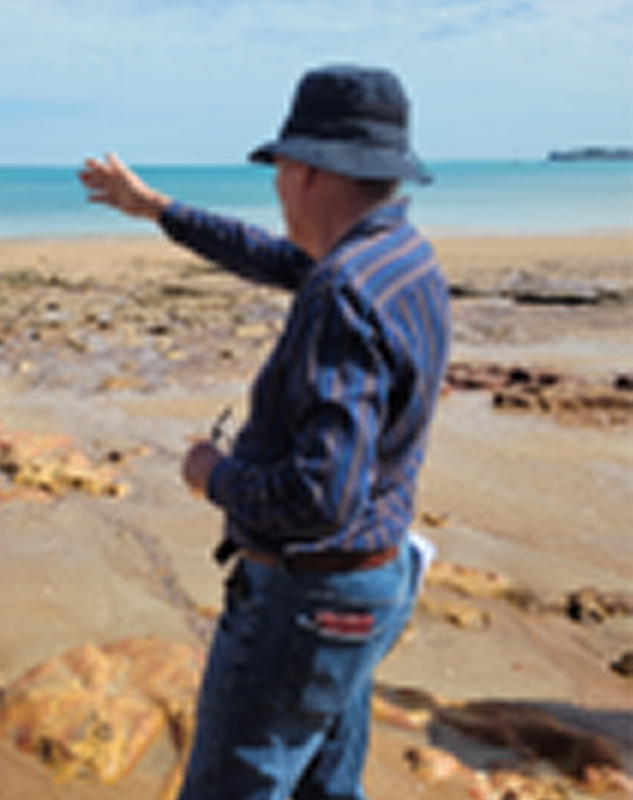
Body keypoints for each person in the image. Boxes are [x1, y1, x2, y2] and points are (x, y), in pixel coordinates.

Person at [79, 64, 450, 800]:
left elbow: (320, 497)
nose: (276, 187)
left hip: (311, 603)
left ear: (308, 169)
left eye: (279, 168)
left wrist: (212, 475)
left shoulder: (343, 291)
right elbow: (271, 256)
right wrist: (157, 208)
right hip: (374, 584)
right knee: (326, 788)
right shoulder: (402, 259)